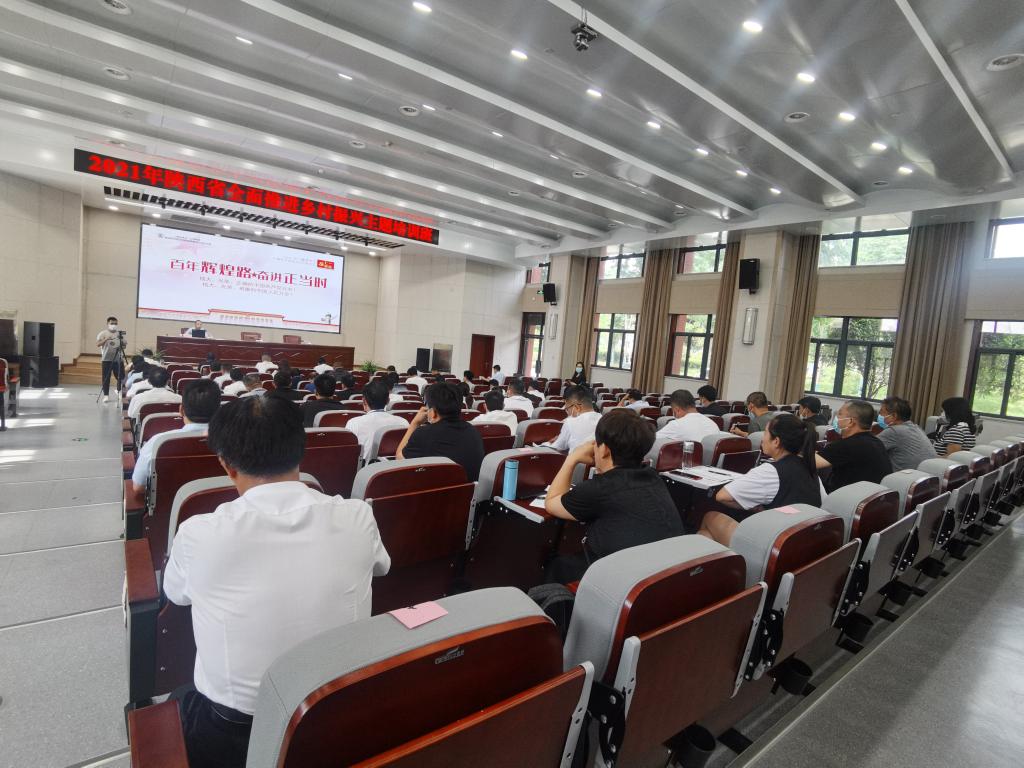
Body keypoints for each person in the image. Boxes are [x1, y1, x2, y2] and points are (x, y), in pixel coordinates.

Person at [163, 395, 390, 768]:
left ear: (226, 465)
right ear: (301, 452)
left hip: (237, 731)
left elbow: (175, 594)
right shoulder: (357, 516)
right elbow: (382, 567)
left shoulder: (199, 533)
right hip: (338, 715)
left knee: (183, 701)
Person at [544, 409, 685, 581]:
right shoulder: (653, 476)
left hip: (626, 581)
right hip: (668, 573)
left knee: (557, 566)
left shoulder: (600, 488)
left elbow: (551, 503)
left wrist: (571, 459)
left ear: (604, 449)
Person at [701, 414, 825, 545]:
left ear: (776, 441)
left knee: (710, 517)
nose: (762, 438)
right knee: (706, 535)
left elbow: (722, 496)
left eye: (765, 433)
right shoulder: (811, 469)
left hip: (773, 544)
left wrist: (756, 509)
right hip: (802, 542)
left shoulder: (771, 471)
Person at [132, 379, 220, 493]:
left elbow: (138, 487)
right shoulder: (234, 441)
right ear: (219, 411)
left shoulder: (158, 442)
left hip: (167, 504)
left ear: (181, 410)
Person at [397, 382, 485, 481]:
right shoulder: (473, 431)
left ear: (433, 412)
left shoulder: (423, 434)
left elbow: (399, 459)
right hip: (469, 490)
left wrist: (415, 423)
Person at [816, 400, 893, 492]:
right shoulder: (876, 442)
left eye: (840, 414)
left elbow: (809, 462)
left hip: (843, 498)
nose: (836, 418)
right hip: (871, 496)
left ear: (850, 421)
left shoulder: (847, 445)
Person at [346, 380, 409, 460]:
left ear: (364, 401)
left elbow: (348, 456)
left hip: (365, 467)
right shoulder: (403, 423)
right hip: (395, 467)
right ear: (388, 401)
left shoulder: (353, 423)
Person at [877, 396, 937, 470]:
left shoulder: (894, 431)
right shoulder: (917, 428)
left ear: (894, 416)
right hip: (926, 474)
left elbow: (868, 449)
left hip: (905, 476)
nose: (879, 414)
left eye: (882, 411)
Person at [550, 386, 603, 453]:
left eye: (567, 409)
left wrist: (547, 443)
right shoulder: (604, 419)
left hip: (577, 459)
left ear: (577, 407)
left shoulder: (570, 422)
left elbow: (557, 447)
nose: (568, 412)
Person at [95, 315, 125, 403]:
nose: (114, 325)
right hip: (106, 359)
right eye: (112, 323)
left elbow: (124, 345)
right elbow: (98, 344)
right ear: (108, 323)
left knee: (120, 377)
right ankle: (106, 395)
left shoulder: (119, 333)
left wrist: (121, 344)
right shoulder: (103, 333)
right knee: (106, 378)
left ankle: (119, 392)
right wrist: (106, 339)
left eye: (115, 323)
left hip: (118, 359)